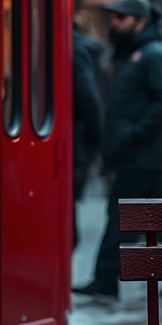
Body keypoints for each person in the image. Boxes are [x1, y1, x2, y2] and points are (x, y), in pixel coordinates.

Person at [73, 0, 162, 298]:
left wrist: (134, 133)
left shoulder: (152, 55)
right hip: (138, 156)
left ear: (141, 21)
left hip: (141, 154)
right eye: (114, 18)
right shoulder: (126, 56)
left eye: (122, 18)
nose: (115, 23)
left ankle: (106, 280)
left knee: (119, 216)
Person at [72, 20, 103, 249]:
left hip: (77, 137)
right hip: (82, 137)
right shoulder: (91, 53)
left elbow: (88, 98)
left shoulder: (74, 49)